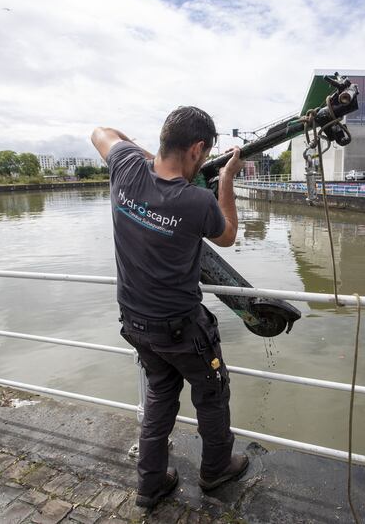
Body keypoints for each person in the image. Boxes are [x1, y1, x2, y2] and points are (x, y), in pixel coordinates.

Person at [91, 106, 248, 509]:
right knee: (211, 393)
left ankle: (151, 483)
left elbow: (100, 131)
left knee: (161, 395)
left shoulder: (125, 167)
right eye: (204, 153)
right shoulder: (196, 201)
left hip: (135, 322)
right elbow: (228, 236)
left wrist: (146, 158)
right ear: (198, 149)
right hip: (182, 328)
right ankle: (215, 470)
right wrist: (226, 179)